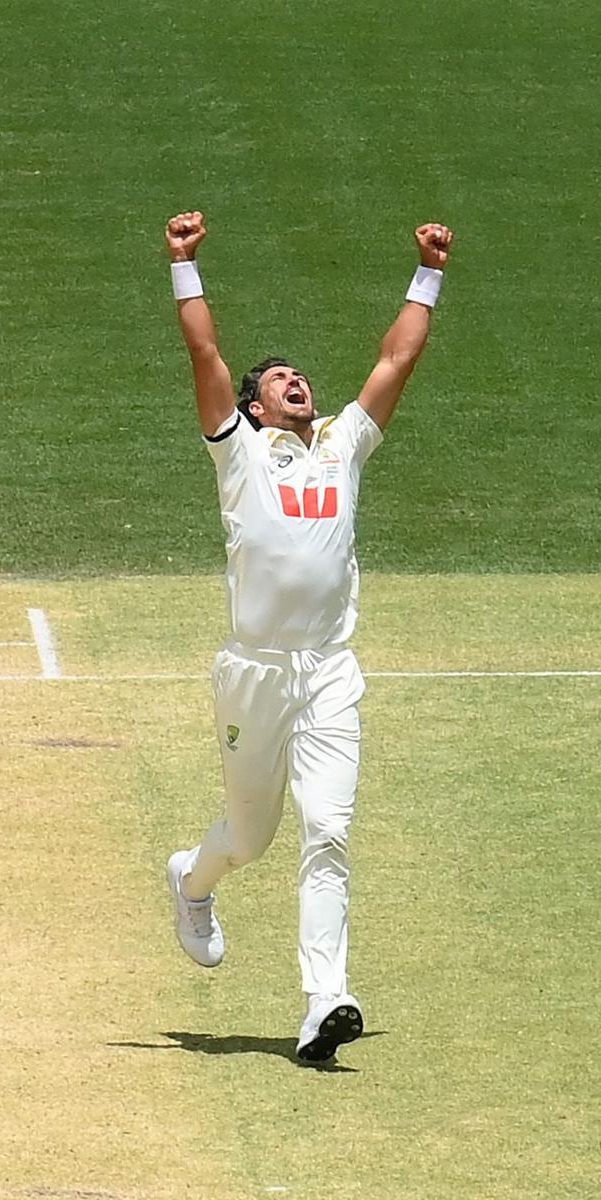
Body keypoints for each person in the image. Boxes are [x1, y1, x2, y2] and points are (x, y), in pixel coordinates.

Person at [155, 211, 451, 1064]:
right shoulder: (238, 451)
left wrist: (425, 273)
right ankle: (191, 878)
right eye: (280, 376)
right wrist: (186, 265)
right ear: (252, 405)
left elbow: (397, 358)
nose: (298, 382)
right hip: (254, 674)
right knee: (251, 839)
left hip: (329, 673)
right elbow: (206, 358)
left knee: (329, 829)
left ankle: (326, 999)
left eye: (302, 375)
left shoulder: (343, 445)